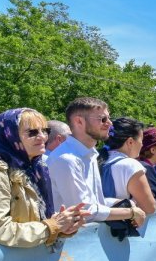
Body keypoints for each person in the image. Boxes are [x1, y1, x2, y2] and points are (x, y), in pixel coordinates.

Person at [0, 108, 88, 247]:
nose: (42, 137)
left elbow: (29, 221)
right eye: (32, 132)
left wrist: (64, 226)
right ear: (9, 135)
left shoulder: (34, 168)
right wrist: (51, 227)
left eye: (45, 130)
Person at [47, 97, 145, 229]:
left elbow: (95, 203)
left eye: (109, 118)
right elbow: (85, 211)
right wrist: (129, 212)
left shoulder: (89, 154)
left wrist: (124, 203)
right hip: (67, 243)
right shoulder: (66, 159)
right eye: (103, 119)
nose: (109, 123)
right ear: (79, 121)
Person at [100, 117, 156, 219]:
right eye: (141, 140)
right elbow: (150, 207)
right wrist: (131, 204)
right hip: (120, 230)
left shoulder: (95, 159)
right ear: (130, 142)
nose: (142, 144)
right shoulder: (130, 165)